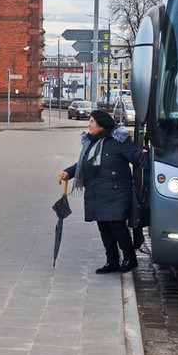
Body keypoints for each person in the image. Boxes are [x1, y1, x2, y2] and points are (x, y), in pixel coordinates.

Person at [59, 110, 147, 274]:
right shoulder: (91, 142)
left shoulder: (118, 140)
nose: (89, 125)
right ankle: (112, 261)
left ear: (102, 125)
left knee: (117, 226)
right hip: (97, 192)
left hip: (116, 191)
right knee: (104, 228)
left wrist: (142, 153)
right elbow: (83, 163)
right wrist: (69, 172)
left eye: (92, 122)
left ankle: (130, 259)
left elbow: (133, 154)